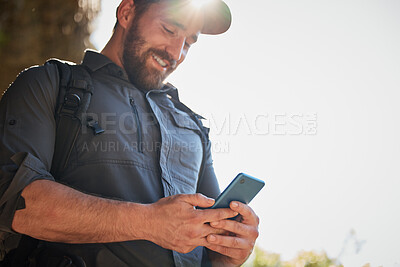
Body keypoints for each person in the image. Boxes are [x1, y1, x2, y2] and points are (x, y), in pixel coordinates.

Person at [0, 0, 260, 266]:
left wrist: (227, 251)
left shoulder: (193, 127)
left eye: (189, 43)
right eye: (170, 29)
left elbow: (208, 246)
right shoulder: (50, 84)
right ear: (126, 13)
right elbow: (15, 203)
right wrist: (149, 222)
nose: (177, 52)